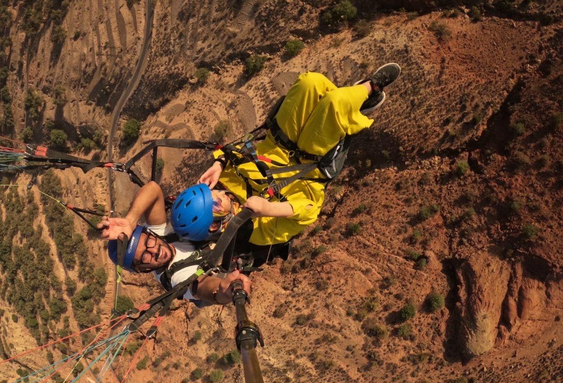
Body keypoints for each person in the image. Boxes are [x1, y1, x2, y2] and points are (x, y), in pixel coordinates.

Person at [170, 64, 401, 265]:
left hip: (278, 142)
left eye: (211, 192)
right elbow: (309, 210)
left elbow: (239, 151)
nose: (219, 192)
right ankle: (371, 87)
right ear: (214, 226)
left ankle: (352, 100)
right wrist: (268, 209)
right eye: (214, 201)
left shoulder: (223, 186)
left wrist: (220, 162)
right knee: (334, 103)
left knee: (310, 82)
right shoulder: (255, 231)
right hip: (309, 163)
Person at [98, 181, 251, 305]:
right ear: (141, 269)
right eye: (144, 258)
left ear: (150, 232)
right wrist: (222, 290)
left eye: (148, 242)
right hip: (236, 250)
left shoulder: (160, 235)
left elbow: (153, 189)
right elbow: (201, 287)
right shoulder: (175, 277)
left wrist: (130, 221)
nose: (154, 251)